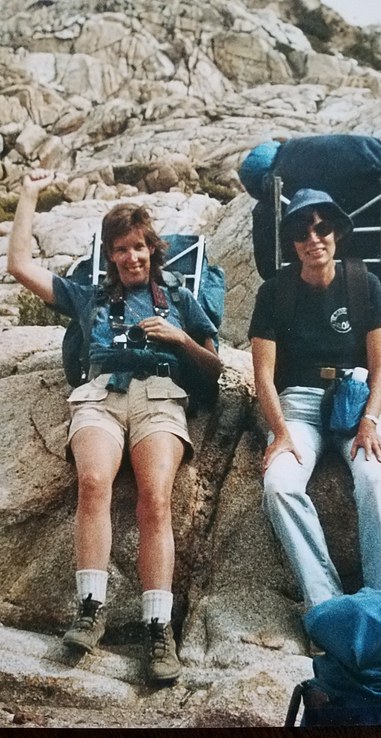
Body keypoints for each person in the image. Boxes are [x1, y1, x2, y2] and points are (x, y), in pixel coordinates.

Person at [7, 168, 222, 684]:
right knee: (94, 482)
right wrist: (31, 193)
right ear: (109, 255)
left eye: (139, 247)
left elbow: (214, 369)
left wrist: (178, 339)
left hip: (159, 397)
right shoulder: (89, 297)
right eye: (121, 249)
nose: (132, 257)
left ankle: (157, 628)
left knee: (155, 498)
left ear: (153, 249)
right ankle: (91, 607)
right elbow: (17, 265)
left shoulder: (180, 299)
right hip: (101, 397)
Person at [249, 187, 381, 613]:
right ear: (292, 241)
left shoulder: (363, 284)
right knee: (279, 486)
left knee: (374, 478)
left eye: (321, 227)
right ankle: (327, 603)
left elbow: (380, 369)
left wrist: (371, 421)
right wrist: (279, 432)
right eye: (301, 230)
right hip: (298, 405)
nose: (313, 238)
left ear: (336, 232)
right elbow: (262, 373)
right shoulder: (275, 293)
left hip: (356, 403)